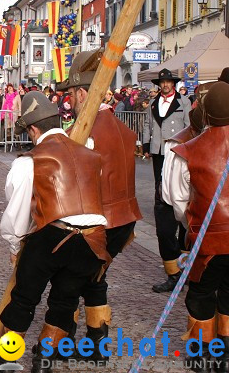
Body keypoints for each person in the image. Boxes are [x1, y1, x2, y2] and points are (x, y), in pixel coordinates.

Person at [0, 91, 109, 373]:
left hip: (53, 235)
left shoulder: (29, 161)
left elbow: (17, 213)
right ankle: (44, 362)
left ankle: (8, 359)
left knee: (24, 297)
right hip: (93, 239)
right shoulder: (91, 155)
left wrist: (15, 247)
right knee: (64, 301)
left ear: (33, 128)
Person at [61, 51, 142, 361]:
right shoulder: (123, 128)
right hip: (125, 222)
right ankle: (97, 345)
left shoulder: (84, 133)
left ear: (83, 92)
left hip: (98, 224)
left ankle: (59, 344)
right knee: (95, 278)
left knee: (66, 280)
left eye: (71, 93)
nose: (69, 100)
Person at [164, 82, 229, 371]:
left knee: (201, 293)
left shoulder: (188, 150)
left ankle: (202, 354)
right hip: (212, 236)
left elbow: (176, 197)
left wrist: (191, 224)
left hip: (208, 238)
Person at [142, 68, 192, 293]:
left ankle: (184, 264)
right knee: (161, 192)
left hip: (179, 151)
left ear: (173, 84)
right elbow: (147, 125)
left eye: (168, 82)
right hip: (159, 151)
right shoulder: (153, 104)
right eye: (162, 82)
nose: (165, 85)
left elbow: (191, 126)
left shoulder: (183, 102)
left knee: (180, 196)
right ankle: (174, 270)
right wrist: (145, 144)